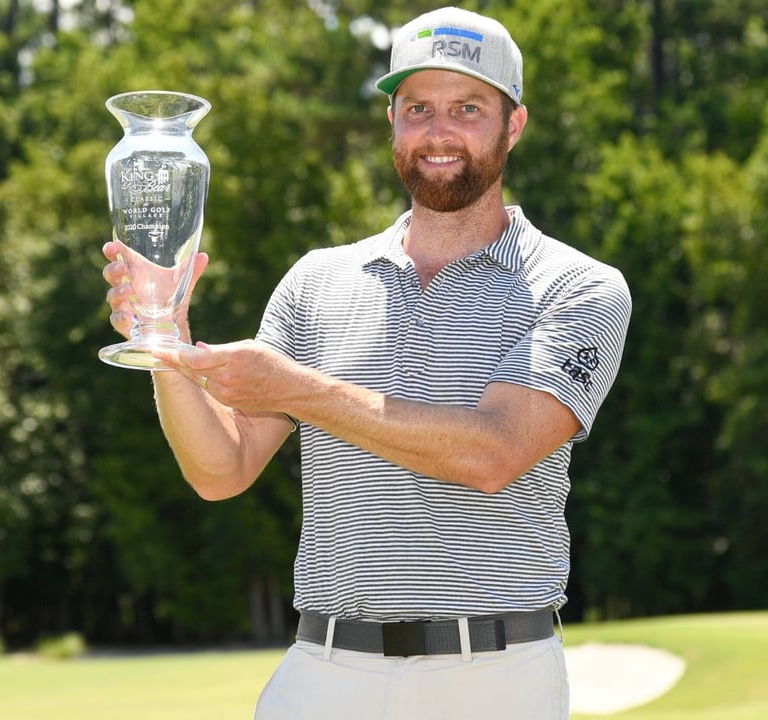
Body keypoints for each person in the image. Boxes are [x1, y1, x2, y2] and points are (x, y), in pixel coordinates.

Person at [102, 6, 631, 719]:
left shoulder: (578, 286)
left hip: (494, 675)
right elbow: (221, 470)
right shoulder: (316, 280)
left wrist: (301, 390)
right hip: (325, 671)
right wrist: (167, 336)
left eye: (468, 108)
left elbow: (494, 453)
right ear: (391, 122)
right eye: (418, 109)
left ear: (514, 125)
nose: (438, 131)